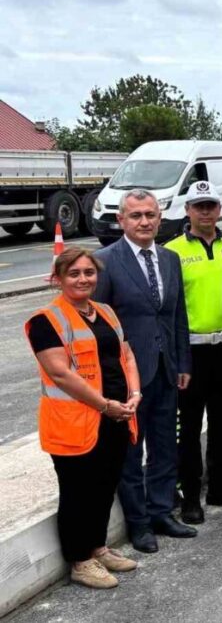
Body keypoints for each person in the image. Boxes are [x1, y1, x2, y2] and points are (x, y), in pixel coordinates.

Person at [26, 249, 141, 588]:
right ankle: (80, 561)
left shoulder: (105, 312)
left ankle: (98, 547)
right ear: (57, 279)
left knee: (106, 485)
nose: (82, 279)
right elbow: (60, 374)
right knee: (78, 491)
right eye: (73, 273)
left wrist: (134, 394)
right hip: (75, 423)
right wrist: (106, 404)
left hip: (116, 415)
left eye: (89, 272)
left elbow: (127, 354)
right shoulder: (46, 321)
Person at [93, 189, 193, 553]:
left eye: (150, 214)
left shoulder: (169, 259)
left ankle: (162, 512)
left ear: (159, 217)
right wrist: (110, 380)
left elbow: (177, 316)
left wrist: (183, 362)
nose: (144, 221)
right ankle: (138, 524)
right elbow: (98, 327)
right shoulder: (104, 262)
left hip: (167, 370)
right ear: (121, 220)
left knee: (166, 446)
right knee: (131, 453)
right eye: (135, 215)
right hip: (127, 378)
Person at [163, 182, 222, 525]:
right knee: (190, 428)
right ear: (187, 210)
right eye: (199, 206)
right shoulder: (171, 251)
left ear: (219, 208)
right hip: (192, 353)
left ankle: (220, 487)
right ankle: (191, 496)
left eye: (210, 205)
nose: (206, 211)